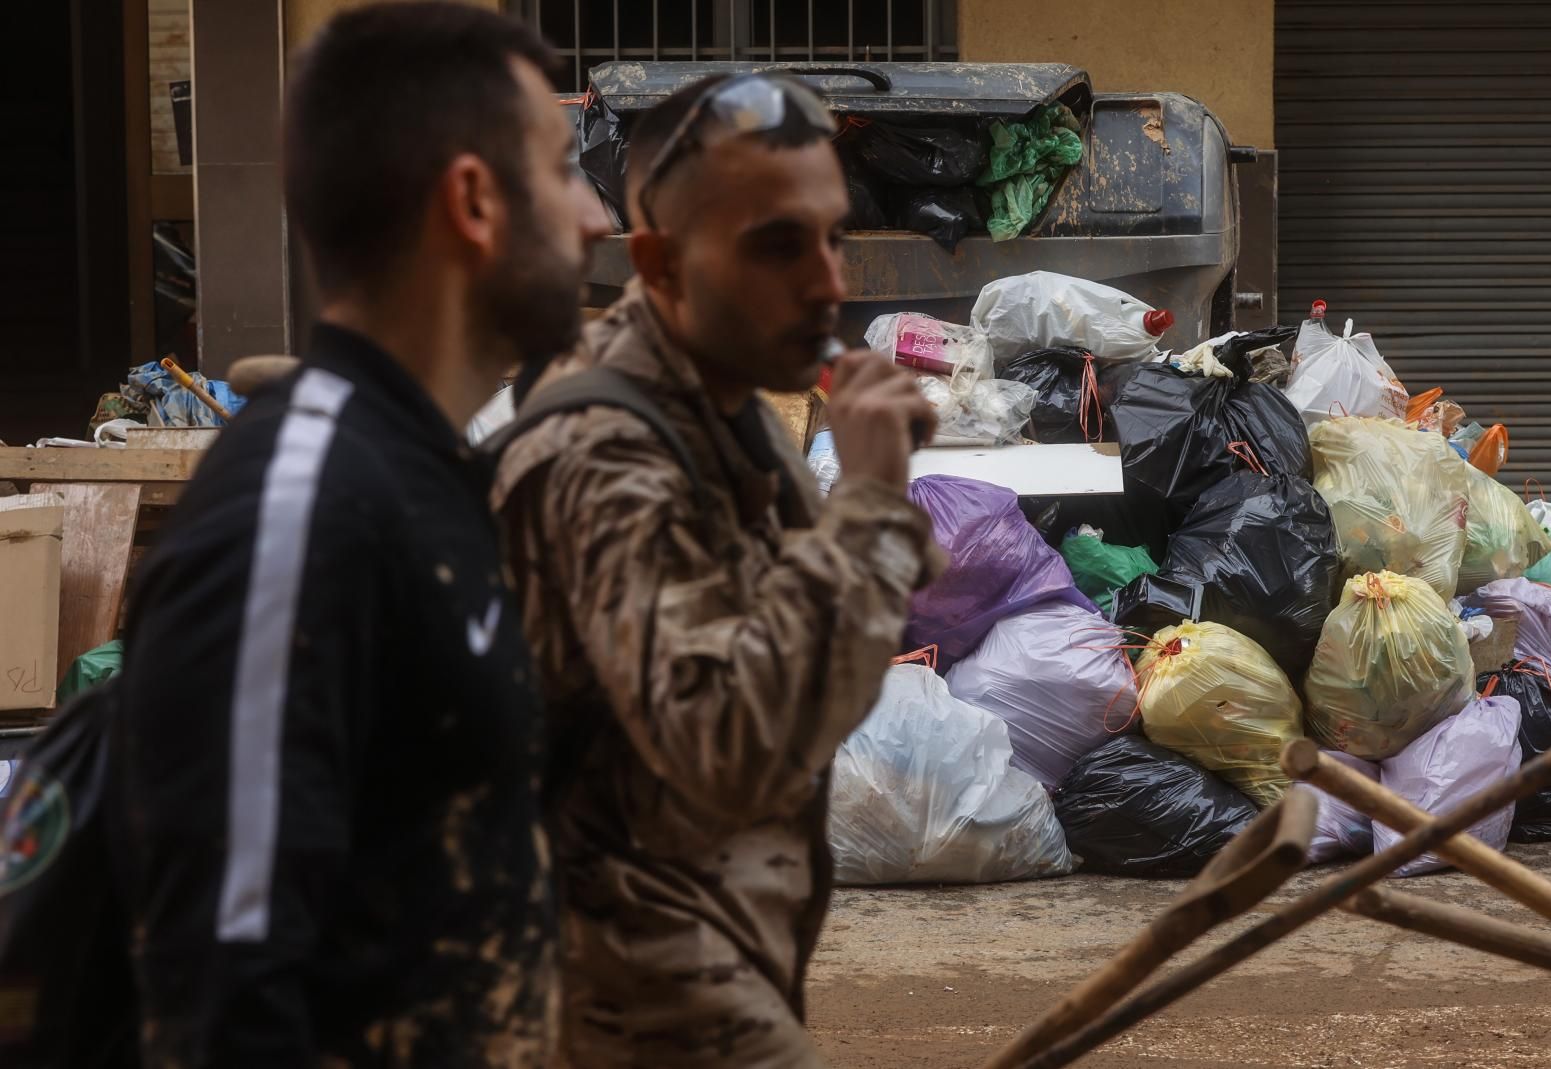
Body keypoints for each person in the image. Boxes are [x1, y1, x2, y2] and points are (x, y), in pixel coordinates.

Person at [106, 4, 609, 1066]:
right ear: (473, 201)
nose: (598, 218)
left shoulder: (437, 478)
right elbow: (222, 995)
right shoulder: (300, 507)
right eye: (566, 171)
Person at [492, 74, 943, 1067]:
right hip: (630, 995)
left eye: (833, 237)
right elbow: (729, 740)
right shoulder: (604, 453)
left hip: (715, 949)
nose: (827, 282)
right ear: (659, 262)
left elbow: (788, 642)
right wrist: (867, 504)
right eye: (776, 245)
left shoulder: (725, 400)